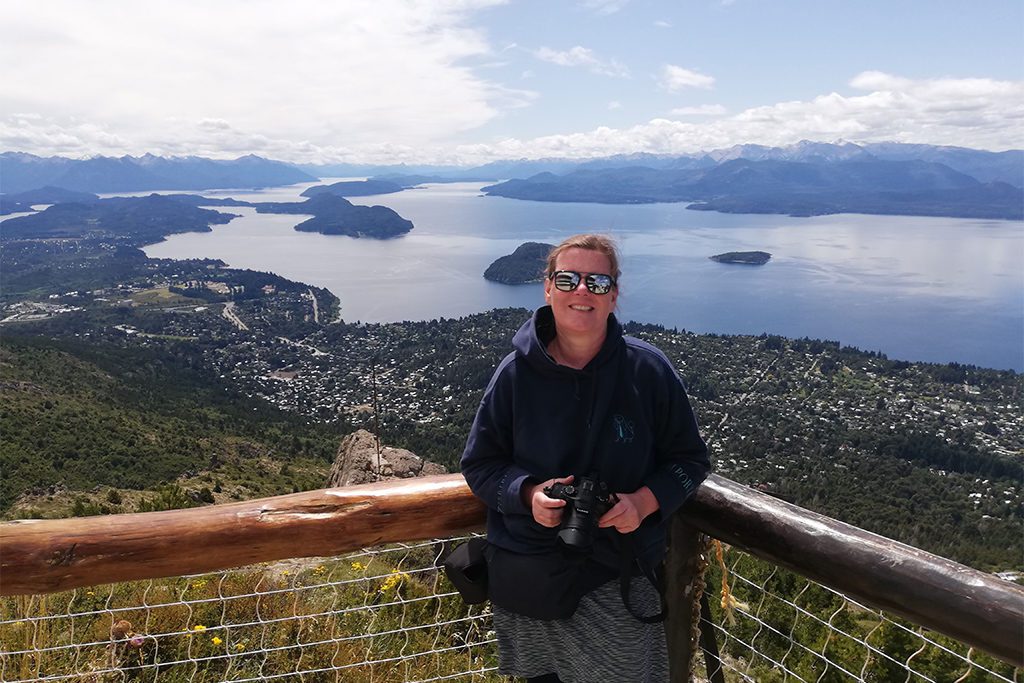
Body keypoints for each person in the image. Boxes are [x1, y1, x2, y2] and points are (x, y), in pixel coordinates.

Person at [461, 234, 710, 683]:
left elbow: (690, 460)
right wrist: (529, 494)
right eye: (569, 279)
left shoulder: (647, 372)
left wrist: (643, 503)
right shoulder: (514, 375)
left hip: (618, 573)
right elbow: (479, 464)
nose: (581, 291)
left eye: (596, 282)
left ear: (613, 295)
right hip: (530, 572)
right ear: (548, 288)